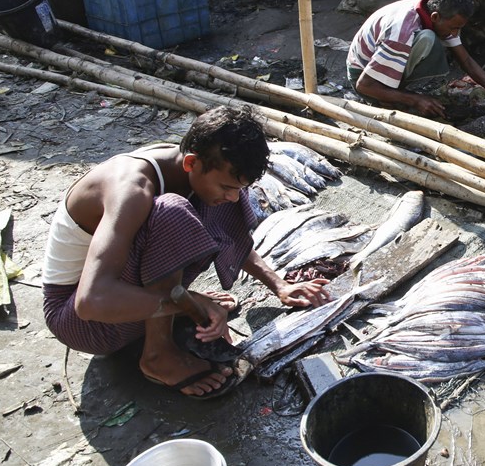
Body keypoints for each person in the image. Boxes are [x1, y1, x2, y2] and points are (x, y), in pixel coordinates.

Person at [41, 105, 332, 399]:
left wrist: (279, 285)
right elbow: (91, 301)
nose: (233, 195)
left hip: (118, 302)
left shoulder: (192, 166)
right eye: (227, 185)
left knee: (217, 201)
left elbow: (228, 217)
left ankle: (169, 306)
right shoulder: (131, 189)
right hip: (83, 323)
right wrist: (186, 303)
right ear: (192, 163)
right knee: (172, 212)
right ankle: (158, 354)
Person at [346, 0, 485, 127]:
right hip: (363, 79)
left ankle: (395, 94)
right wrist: (415, 100)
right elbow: (363, 85)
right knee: (428, 40)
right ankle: (387, 96)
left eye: (459, 28)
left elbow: (465, 60)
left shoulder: (434, 9)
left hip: (374, 72)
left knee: (430, 42)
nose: (455, 33)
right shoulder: (402, 31)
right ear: (435, 17)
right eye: (453, 28)